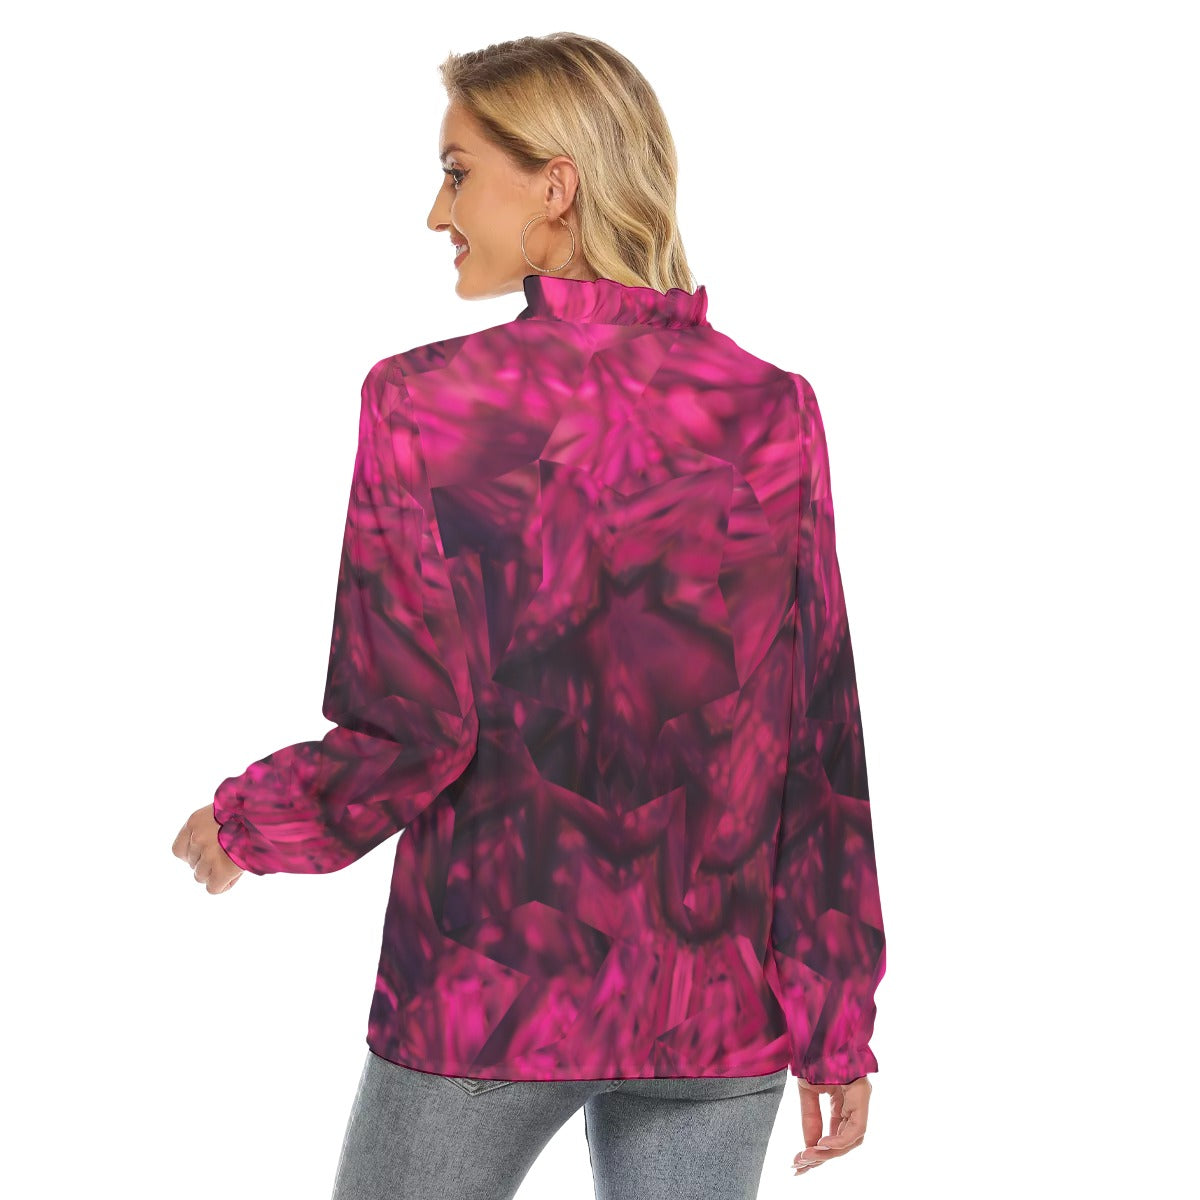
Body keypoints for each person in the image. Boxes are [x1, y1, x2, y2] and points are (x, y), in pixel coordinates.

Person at [172, 31, 885, 1200]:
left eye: (457, 173)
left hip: (492, 992)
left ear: (556, 184)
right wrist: (835, 1016)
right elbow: (818, 739)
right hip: (715, 1013)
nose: (435, 212)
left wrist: (249, 823)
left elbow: (412, 731)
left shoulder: (423, 403)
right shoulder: (771, 409)